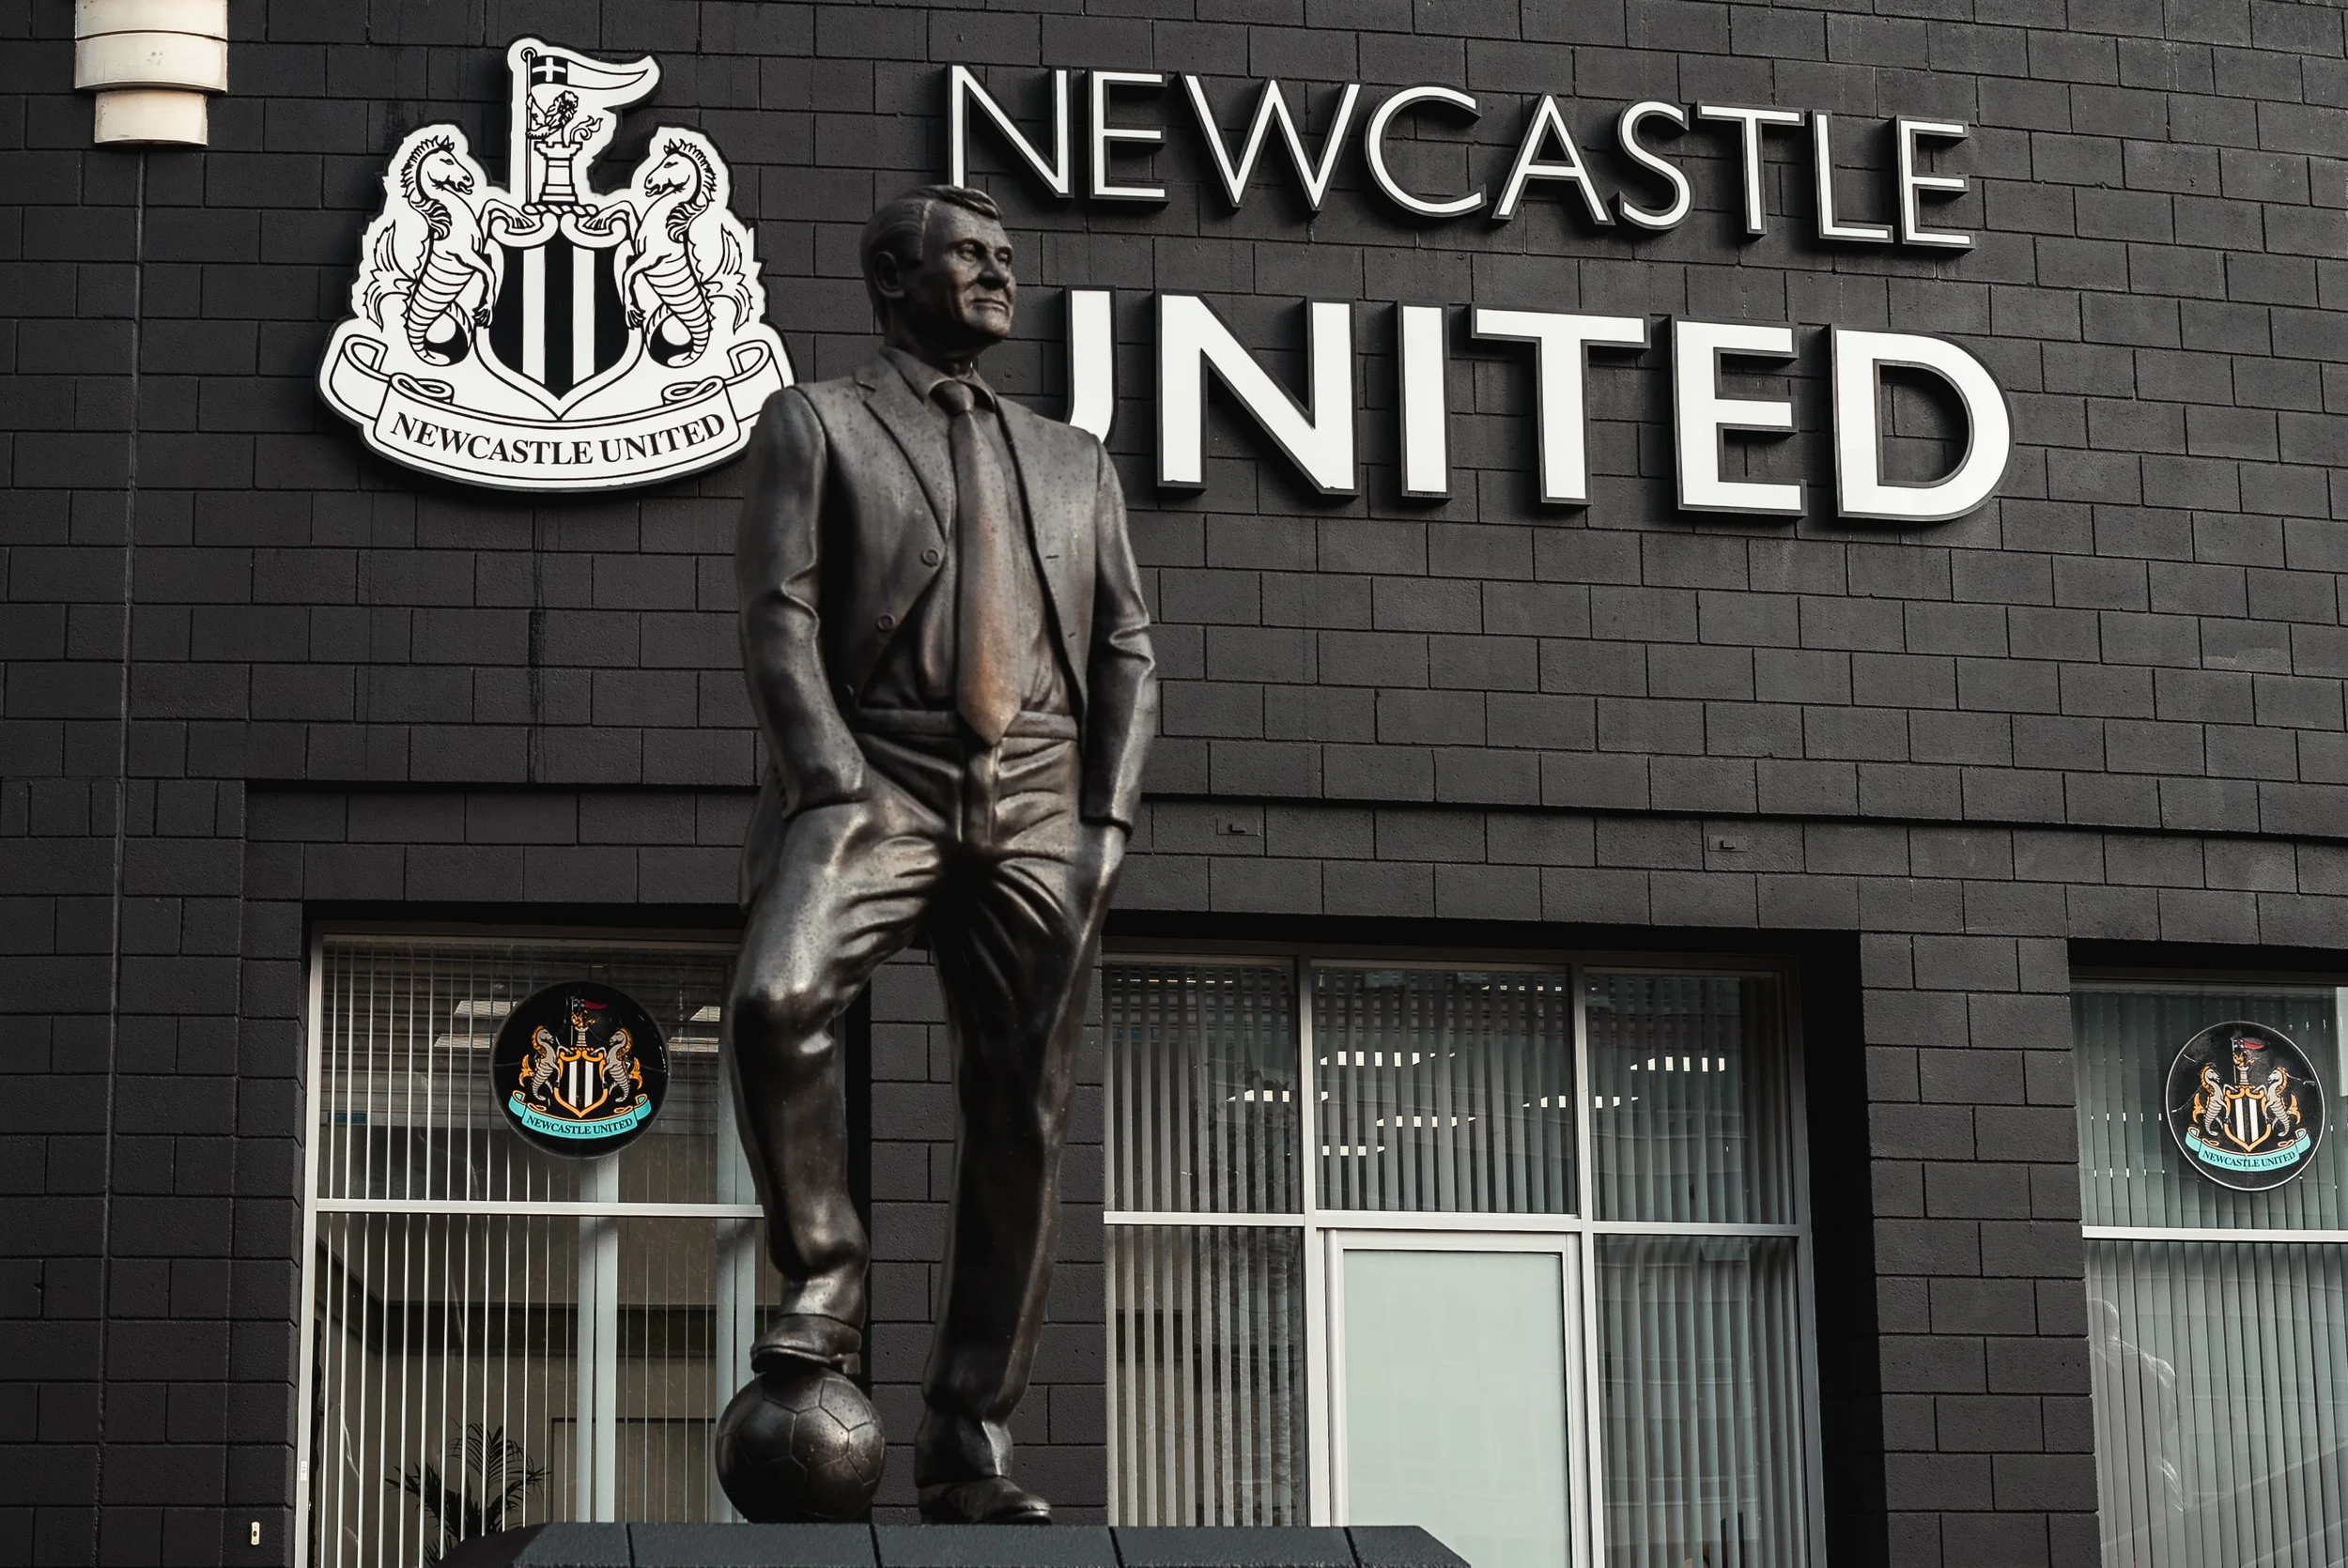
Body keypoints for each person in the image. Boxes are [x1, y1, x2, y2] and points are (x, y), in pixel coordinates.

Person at [725, 183, 1156, 1524]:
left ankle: (969, 1438)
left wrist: (1105, 822)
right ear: (890, 277)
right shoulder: (822, 421)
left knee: (1020, 1112)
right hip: (881, 777)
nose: (995, 275)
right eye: (967, 255)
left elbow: (1128, 645)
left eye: (1006, 258)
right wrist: (830, 776)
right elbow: (779, 614)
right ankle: (826, 1278)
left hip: (1037, 805)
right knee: (773, 1001)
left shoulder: (1075, 458)